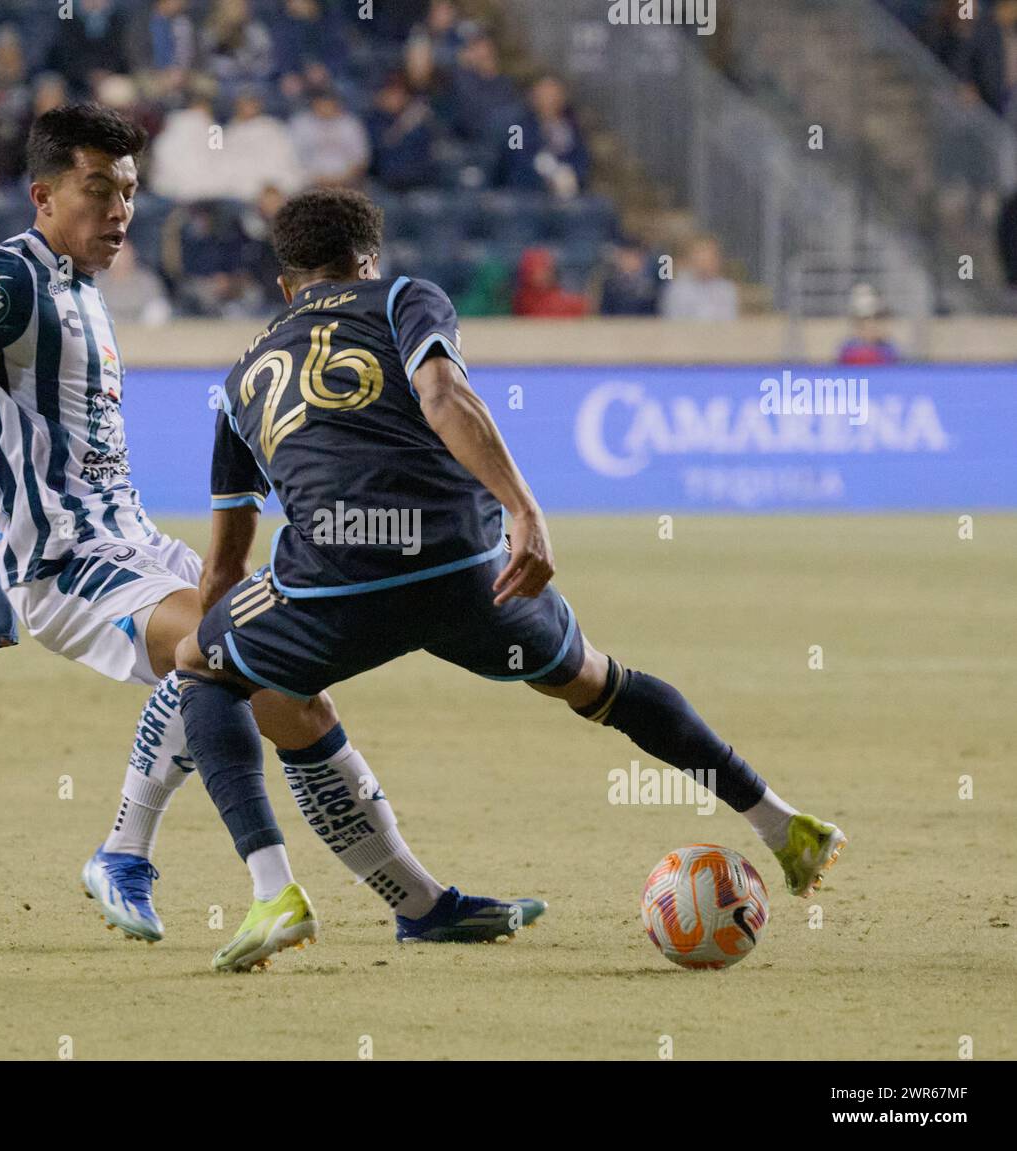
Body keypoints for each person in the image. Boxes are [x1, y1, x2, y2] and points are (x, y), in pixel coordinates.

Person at [0, 103, 542, 953]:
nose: (119, 210)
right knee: (222, 660)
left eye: (128, 191)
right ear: (43, 194)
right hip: (70, 566)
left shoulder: (83, 290)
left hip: (136, 542)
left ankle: (417, 903)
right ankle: (189, 869)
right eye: (98, 190)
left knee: (290, 691)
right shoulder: (10, 276)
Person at [173, 187, 848, 972]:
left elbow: (225, 562)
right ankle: (778, 820)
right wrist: (523, 509)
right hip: (470, 570)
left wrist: (224, 661)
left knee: (202, 665)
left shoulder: (241, 375)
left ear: (286, 284)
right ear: (369, 260)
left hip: (334, 577)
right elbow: (443, 393)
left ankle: (273, 891)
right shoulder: (404, 296)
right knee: (601, 680)